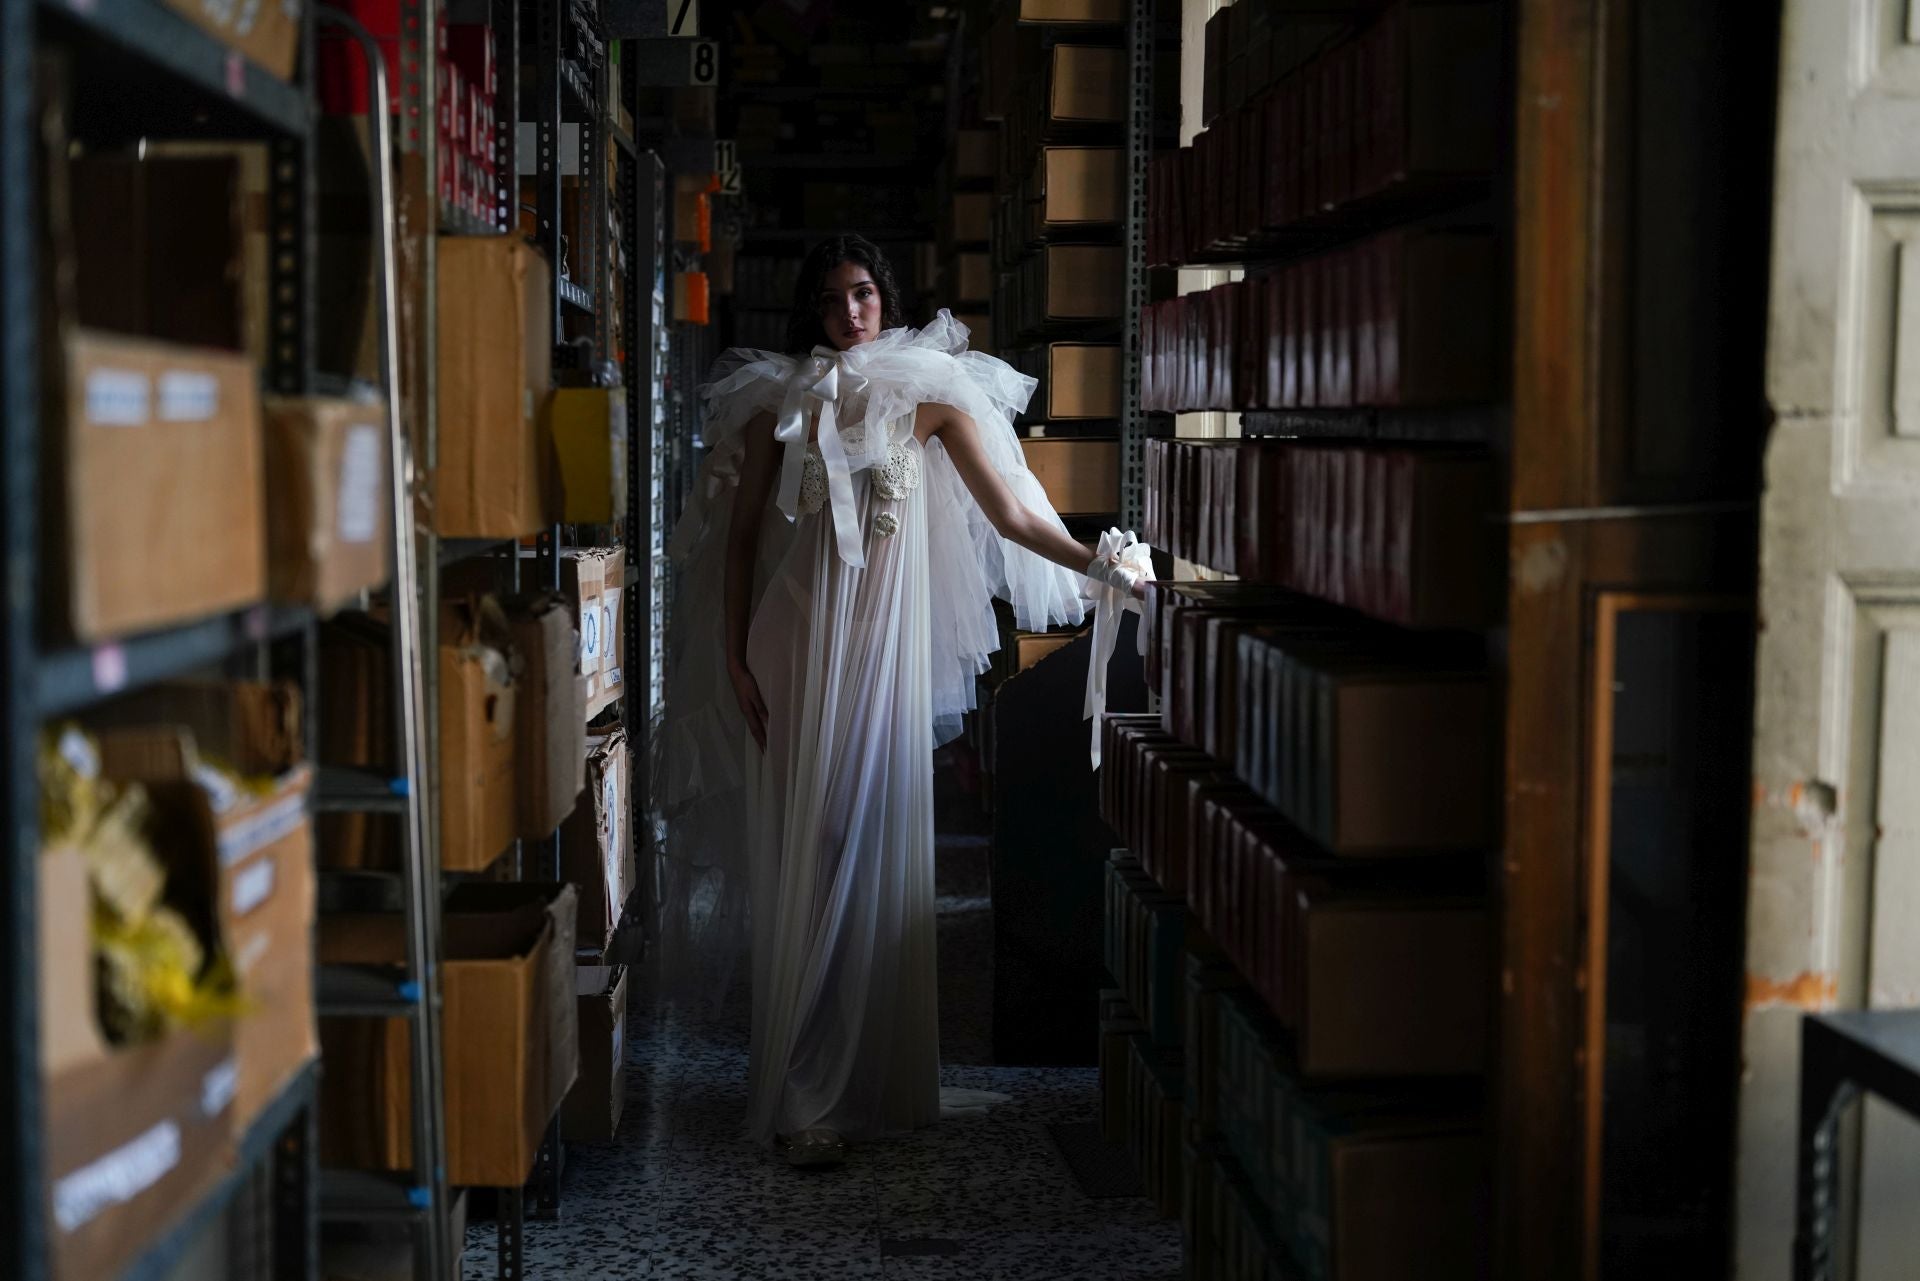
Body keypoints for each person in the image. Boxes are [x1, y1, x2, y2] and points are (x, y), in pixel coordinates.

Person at [654, 234, 1150, 1168]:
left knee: (862, 845)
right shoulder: (776, 405)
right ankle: (804, 1090)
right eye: (838, 297)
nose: (854, 310)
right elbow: (741, 538)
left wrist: (1100, 564)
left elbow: (1012, 511)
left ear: (886, 301)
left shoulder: (928, 400)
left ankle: (865, 1080)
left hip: (876, 655)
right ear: (816, 310)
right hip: (793, 652)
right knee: (811, 849)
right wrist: (733, 658)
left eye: (867, 293)